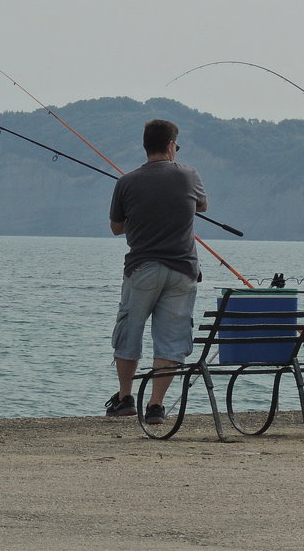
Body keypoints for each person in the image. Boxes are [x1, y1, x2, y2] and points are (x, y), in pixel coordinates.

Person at [105, 119, 208, 425]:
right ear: (170, 145)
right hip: (183, 270)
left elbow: (116, 227)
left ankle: (125, 399)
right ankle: (156, 406)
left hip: (143, 269)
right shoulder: (189, 175)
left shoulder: (126, 182)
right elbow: (201, 206)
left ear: (146, 145)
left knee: (129, 331)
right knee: (171, 339)